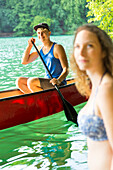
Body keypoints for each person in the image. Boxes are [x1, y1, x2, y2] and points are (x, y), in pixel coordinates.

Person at [70, 24, 113, 170]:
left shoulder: (107, 88)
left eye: (89, 46)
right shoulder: (96, 86)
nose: (81, 53)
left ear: (103, 51)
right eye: (77, 46)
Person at [16, 23, 69, 93]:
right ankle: (37, 100)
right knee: (19, 81)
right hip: (48, 82)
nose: (41, 35)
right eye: (38, 33)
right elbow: (24, 61)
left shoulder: (57, 47)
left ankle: (44, 100)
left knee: (31, 82)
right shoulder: (40, 49)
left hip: (58, 83)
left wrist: (58, 80)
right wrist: (29, 46)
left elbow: (66, 69)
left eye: (43, 33)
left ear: (49, 33)